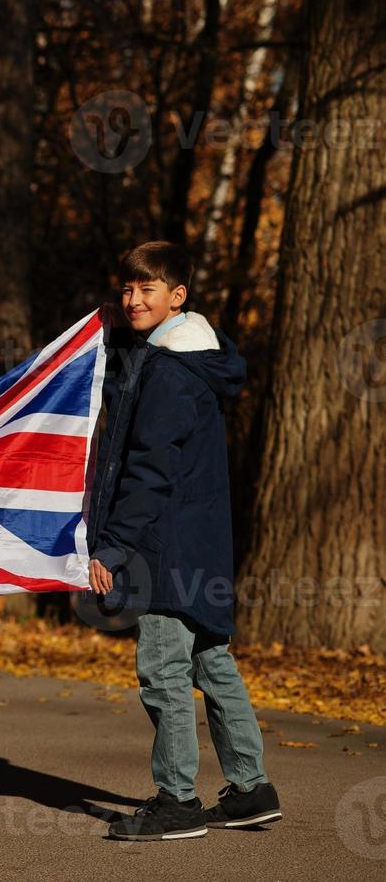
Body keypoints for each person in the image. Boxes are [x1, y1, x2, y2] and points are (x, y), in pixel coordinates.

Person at [89, 241, 280, 842]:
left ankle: (177, 801)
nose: (133, 299)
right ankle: (251, 790)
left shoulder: (170, 370)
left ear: (178, 296)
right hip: (202, 541)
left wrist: (114, 546)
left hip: (165, 543)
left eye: (148, 289)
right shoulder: (188, 358)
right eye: (127, 288)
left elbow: (150, 468)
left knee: (163, 668)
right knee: (210, 661)